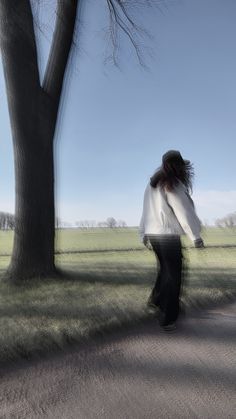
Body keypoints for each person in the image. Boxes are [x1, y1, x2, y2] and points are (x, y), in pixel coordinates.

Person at [139, 150, 204, 331]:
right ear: (179, 166)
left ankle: (158, 301)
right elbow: (184, 212)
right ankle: (168, 318)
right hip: (167, 235)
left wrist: (143, 233)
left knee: (165, 271)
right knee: (173, 275)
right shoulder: (172, 184)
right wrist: (195, 237)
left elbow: (146, 211)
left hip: (154, 235)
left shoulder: (152, 185)